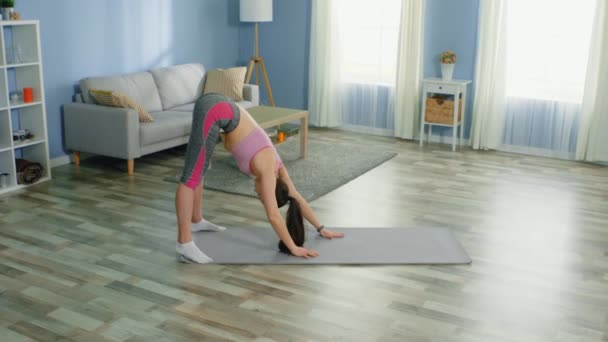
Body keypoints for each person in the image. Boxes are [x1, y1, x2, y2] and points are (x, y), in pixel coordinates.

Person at [175, 93, 344, 263]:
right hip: (216, 109)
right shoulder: (268, 173)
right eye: (262, 197)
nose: (259, 195)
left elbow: (296, 196)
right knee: (191, 176)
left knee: (200, 168)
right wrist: (293, 248)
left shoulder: (278, 168)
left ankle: (196, 220)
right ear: (269, 189)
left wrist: (321, 228)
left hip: (221, 108)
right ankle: (185, 243)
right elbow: (273, 216)